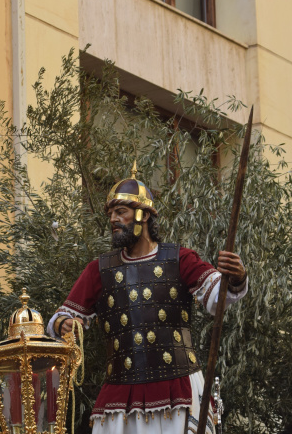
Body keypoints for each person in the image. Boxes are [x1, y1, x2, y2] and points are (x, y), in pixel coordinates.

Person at [46, 165, 248, 434]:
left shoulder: (180, 259)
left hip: (178, 386)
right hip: (119, 393)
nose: (113, 220)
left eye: (121, 212)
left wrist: (235, 278)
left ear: (143, 215)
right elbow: (63, 316)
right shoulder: (99, 269)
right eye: (110, 213)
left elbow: (216, 297)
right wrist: (63, 325)